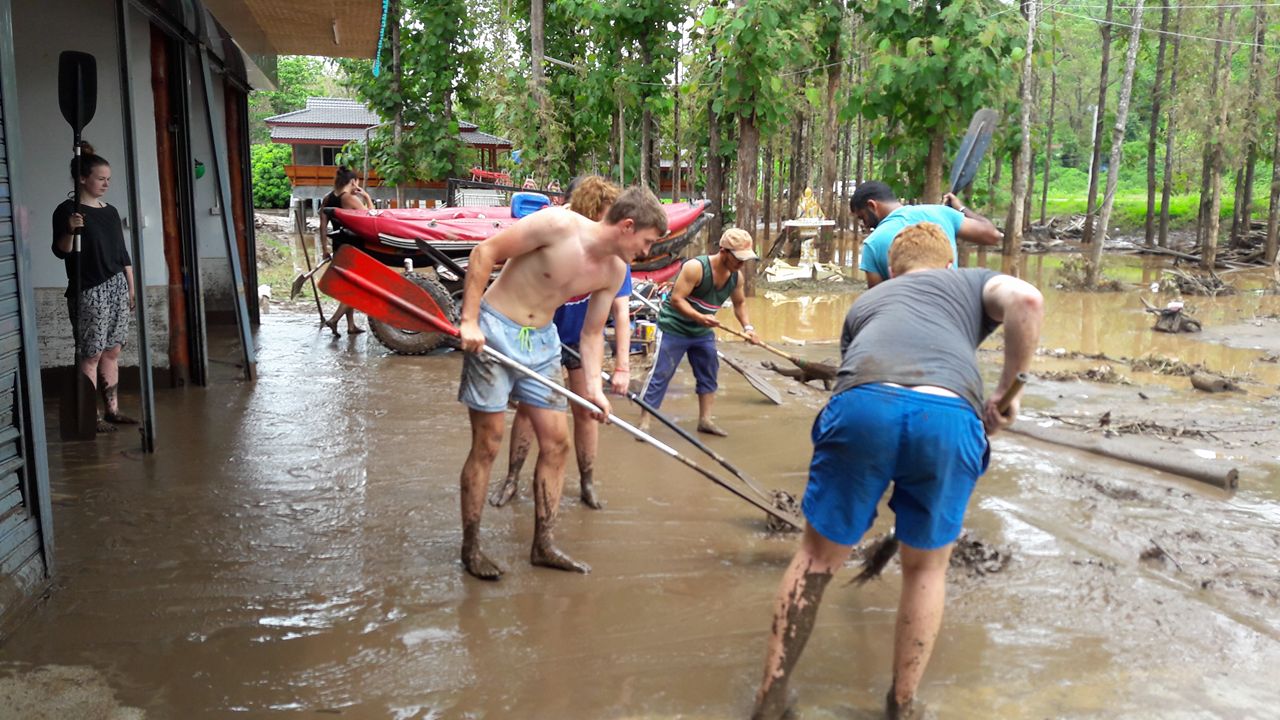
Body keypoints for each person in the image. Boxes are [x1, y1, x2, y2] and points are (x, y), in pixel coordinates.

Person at [750, 222, 1044, 720]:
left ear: (890, 270)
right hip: (948, 414)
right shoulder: (971, 282)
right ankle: (901, 705)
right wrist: (1005, 391)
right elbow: (1029, 302)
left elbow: (856, 374)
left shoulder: (867, 304)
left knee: (817, 558)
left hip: (864, 405)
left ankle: (771, 698)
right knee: (926, 569)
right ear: (949, 262)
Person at [456, 185, 668, 580]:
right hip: (497, 329)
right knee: (488, 443)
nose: (647, 251)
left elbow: (590, 335)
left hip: (543, 343)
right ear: (626, 226)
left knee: (557, 443)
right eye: (647, 241)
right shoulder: (557, 224)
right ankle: (471, 547)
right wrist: (469, 320)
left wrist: (593, 390)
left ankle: (544, 544)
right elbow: (485, 252)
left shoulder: (615, 271)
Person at [491, 176, 632, 510]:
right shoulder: (561, 235)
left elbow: (621, 314)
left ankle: (587, 482)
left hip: (583, 342)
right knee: (527, 410)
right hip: (542, 338)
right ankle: (512, 478)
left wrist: (622, 366)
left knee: (588, 410)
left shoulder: (616, 256)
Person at [636, 229, 760, 438]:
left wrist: (748, 328)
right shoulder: (696, 268)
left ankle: (705, 420)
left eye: (744, 260)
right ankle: (645, 421)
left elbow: (740, 304)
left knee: (709, 371)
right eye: (738, 259)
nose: (741, 264)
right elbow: (677, 299)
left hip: (702, 331)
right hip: (674, 327)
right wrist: (698, 317)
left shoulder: (735, 277)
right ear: (724, 252)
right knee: (661, 373)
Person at [51, 143, 137, 433]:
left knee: (113, 350)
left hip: (116, 285)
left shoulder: (110, 212)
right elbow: (61, 251)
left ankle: (112, 410)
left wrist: (131, 287)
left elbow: (122, 253)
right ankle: (91, 415)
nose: (106, 184)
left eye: (108, 179)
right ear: (83, 179)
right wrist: (70, 229)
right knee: (91, 353)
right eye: (101, 178)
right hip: (89, 288)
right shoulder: (67, 210)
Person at [851, 180, 1003, 288]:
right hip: (952, 315)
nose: (865, 225)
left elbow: (877, 302)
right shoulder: (942, 213)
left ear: (872, 205)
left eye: (862, 217)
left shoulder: (872, 244)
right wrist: (960, 208)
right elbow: (992, 235)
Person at [319, 167, 374, 335]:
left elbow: (322, 227)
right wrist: (366, 197)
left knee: (349, 285)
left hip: (338, 245)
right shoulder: (349, 198)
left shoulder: (327, 199)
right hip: (354, 246)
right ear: (352, 182)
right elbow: (371, 216)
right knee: (357, 288)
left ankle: (351, 325)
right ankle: (334, 320)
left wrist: (324, 249)